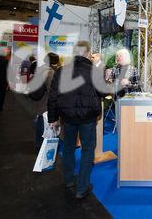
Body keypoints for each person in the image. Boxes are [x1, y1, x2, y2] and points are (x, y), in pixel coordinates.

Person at [48, 41, 103, 199]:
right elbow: (102, 91)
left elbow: (53, 97)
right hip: (88, 118)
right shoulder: (94, 71)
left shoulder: (61, 71)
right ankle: (82, 188)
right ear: (87, 53)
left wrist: (53, 118)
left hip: (67, 118)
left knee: (68, 148)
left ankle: (68, 180)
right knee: (87, 150)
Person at [33, 53, 59, 149]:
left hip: (39, 99)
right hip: (45, 101)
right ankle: (41, 146)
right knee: (44, 124)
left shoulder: (39, 69)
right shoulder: (50, 72)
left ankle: (38, 143)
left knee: (39, 120)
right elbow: (51, 89)